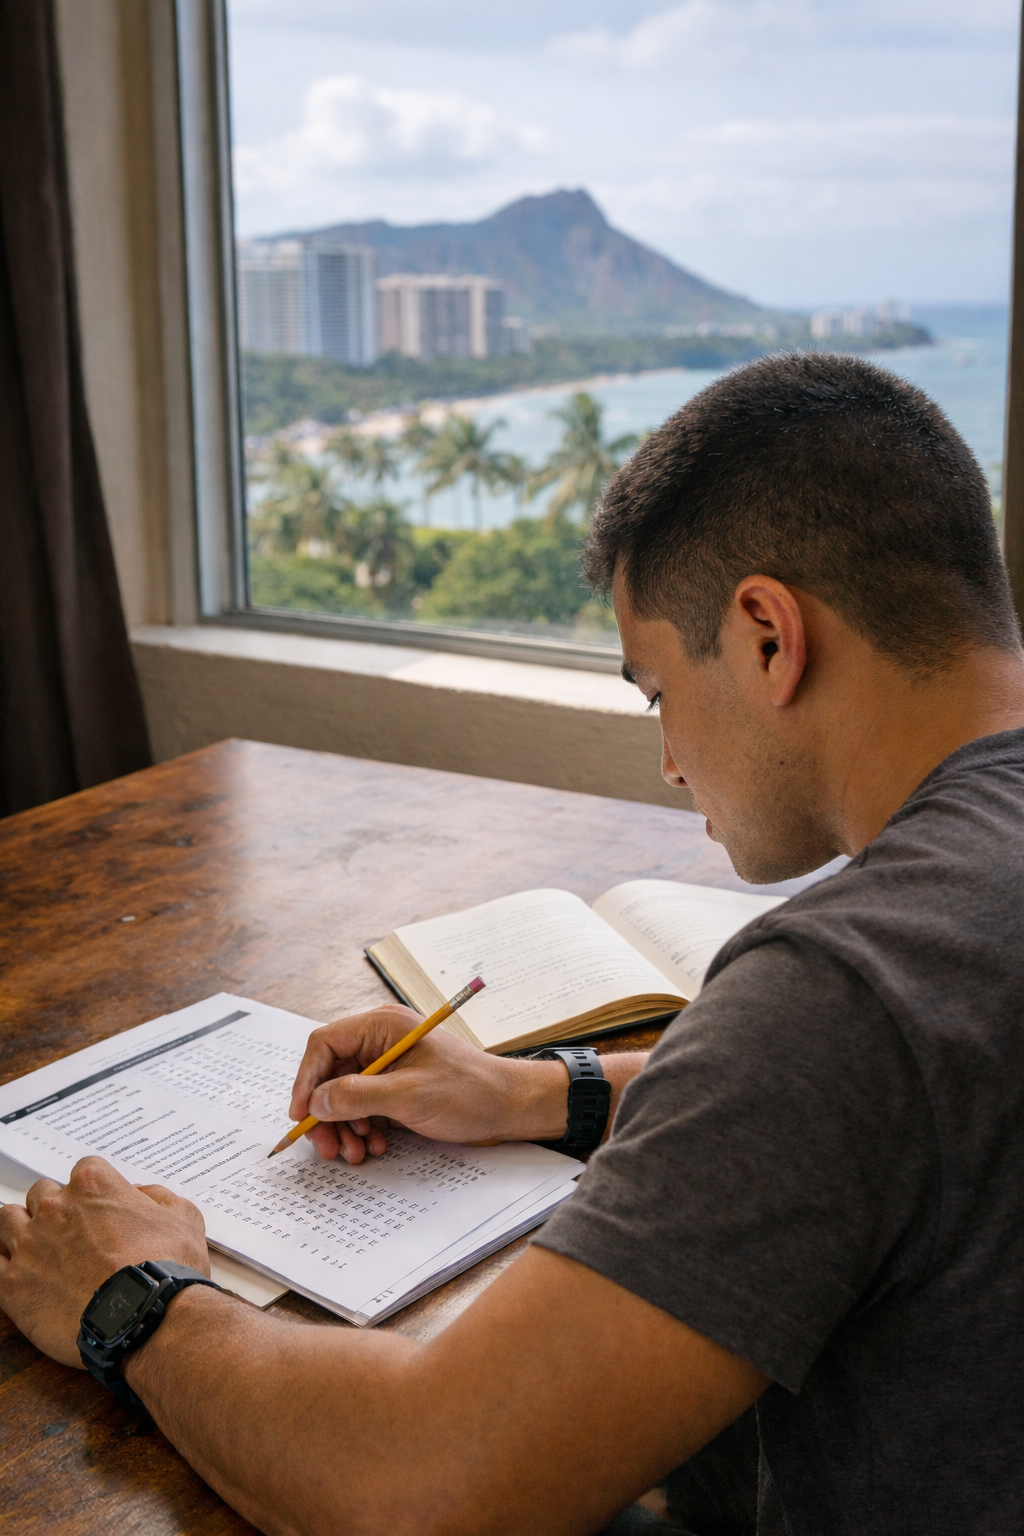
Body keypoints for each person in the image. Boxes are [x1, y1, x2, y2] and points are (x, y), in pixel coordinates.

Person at [2, 352, 1022, 1536]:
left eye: (654, 693)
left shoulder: (840, 994)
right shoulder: (939, 941)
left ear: (764, 637)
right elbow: (908, 1090)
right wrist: (537, 1094)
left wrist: (137, 1298)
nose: (671, 761)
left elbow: (423, 1488)